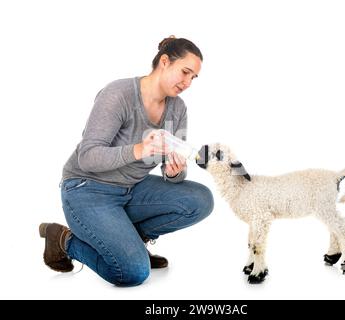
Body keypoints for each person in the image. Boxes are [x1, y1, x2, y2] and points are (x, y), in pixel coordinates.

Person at [39, 36, 214, 286]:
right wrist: (140, 149)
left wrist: (175, 172)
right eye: (185, 72)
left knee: (200, 200)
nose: (187, 83)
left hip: (132, 189)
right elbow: (87, 157)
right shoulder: (119, 94)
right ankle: (63, 240)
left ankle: (132, 243)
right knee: (132, 272)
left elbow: (169, 171)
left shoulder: (178, 109)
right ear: (164, 61)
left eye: (193, 78)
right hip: (87, 188)